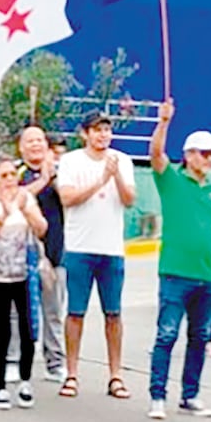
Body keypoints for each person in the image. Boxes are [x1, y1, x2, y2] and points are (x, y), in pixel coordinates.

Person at [146, 101, 211, 420]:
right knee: (167, 334)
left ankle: (190, 394)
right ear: (189, 155)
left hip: (208, 278)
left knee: (199, 337)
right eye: (204, 153)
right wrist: (164, 123)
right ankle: (158, 395)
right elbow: (156, 155)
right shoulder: (172, 180)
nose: (210, 159)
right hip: (175, 273)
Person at [55, 111, 136, 400]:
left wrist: (115, 177)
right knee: (75, 312)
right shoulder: (71, 161)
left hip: (112, 249)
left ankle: (116, 375)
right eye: (97, 130)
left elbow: (129, 201)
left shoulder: (121, 161)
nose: (103, 135)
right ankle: (71, 373)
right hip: (79, 247)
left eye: (107, 130)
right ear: (85, 134)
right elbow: (67, 198)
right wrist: (101, 179)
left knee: (113, 314)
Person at [0, 155, 49, 409]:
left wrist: (27, 210)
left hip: (24, 275)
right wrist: (3, 215)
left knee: (28, 328)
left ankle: (25, 380)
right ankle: (0, 387)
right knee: (2, 330)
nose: (9, 180)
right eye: (3, 176)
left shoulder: (26, 198)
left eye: (12, 175)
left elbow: (42, 229)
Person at [17, 125, 67, 382]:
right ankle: (15, 360)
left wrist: (54, 176)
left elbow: (68, 199)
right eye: (30, 141)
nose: (36, 145)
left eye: (40, 140)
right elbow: (18, 197)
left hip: (55, 251)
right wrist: (43, 180)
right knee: (19, 311)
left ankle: (55, 362)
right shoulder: (17, 172)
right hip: (20, 253)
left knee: (53, 311)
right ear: (21, 147)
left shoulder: (60, 172)